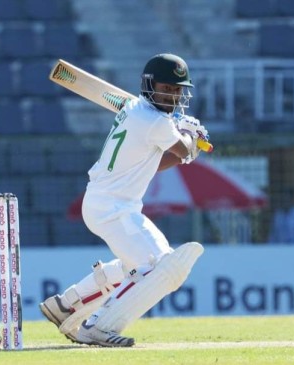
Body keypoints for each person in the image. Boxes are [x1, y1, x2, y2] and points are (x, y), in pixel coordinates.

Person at [39, 53, 208, 347]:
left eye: (177, 90)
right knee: (160, 268)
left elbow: (153, 162)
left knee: (146, 265)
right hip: (112, 207)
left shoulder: (136, 110)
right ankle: (98, 326)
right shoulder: (156, 123)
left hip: (110, 204)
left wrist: (181, 136)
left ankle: (67, 304)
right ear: (149, 85)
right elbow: (183, 152)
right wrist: (193, 139)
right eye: (166, 88)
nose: (172, 95)